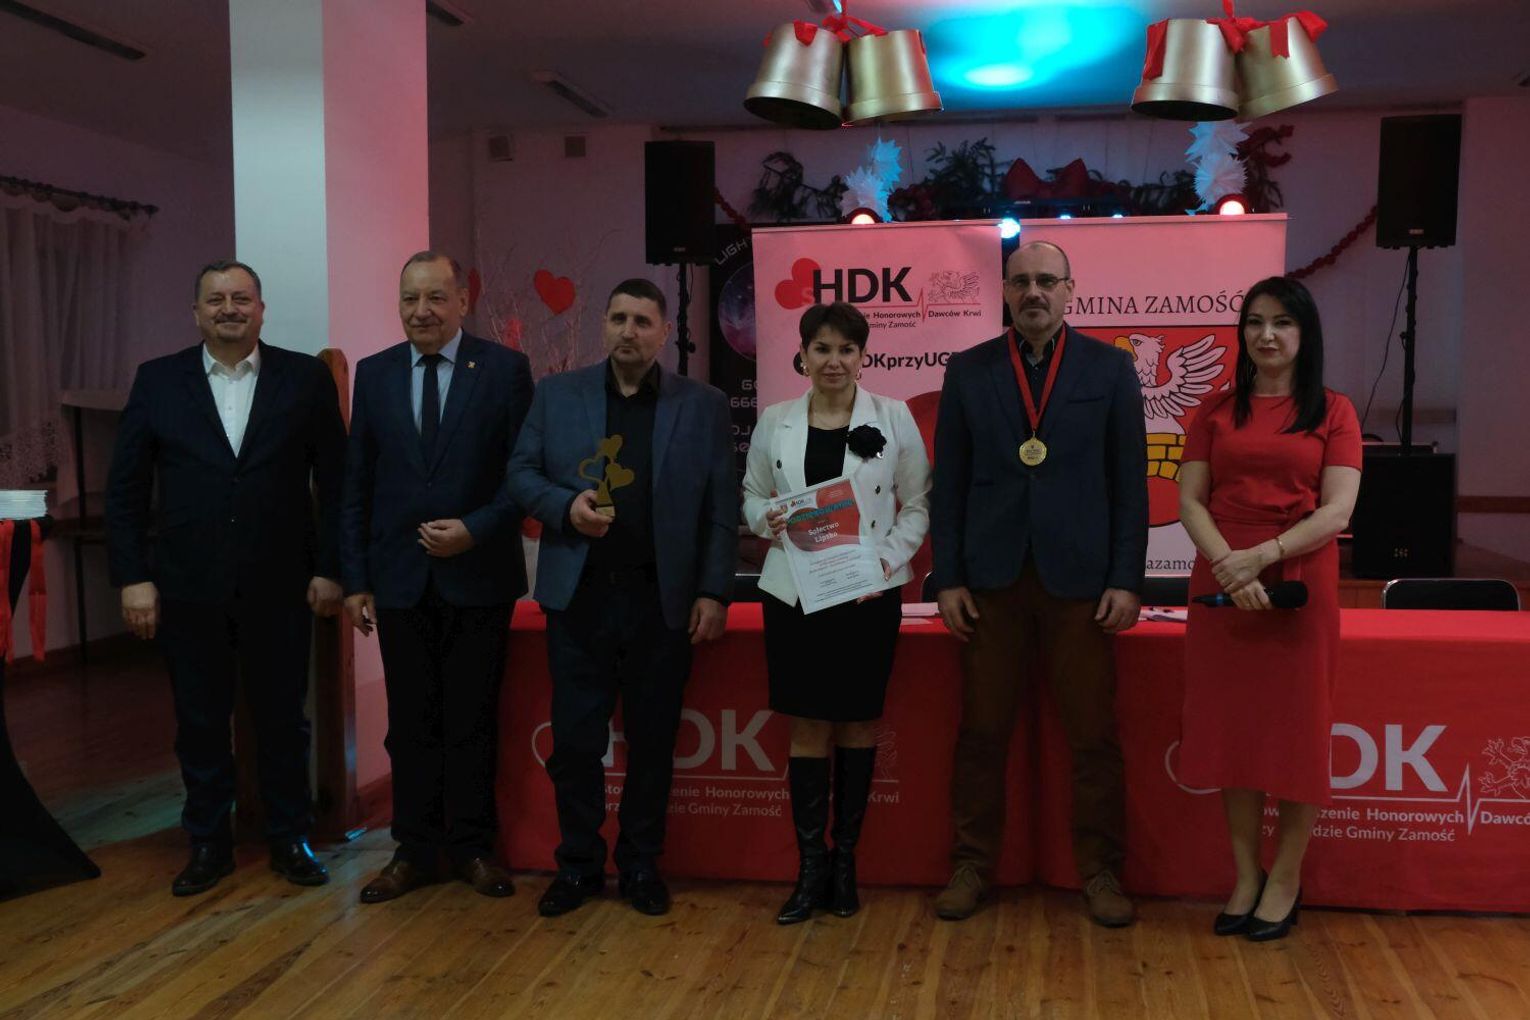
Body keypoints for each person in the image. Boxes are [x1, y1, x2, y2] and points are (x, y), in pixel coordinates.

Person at [105, 259, 345, 895]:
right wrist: (133, 577)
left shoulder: (305, 378)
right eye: (216, 300)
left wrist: (332, 569)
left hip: (282, 584)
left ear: (261, 310)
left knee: (283, 720)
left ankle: (290, 837)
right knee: (200, 722)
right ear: (196, 313)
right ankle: (208, 842)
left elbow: (338, 482)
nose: (229, 309)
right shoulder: (158, 381)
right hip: (187, 585)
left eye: (241, 298)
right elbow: (126, 488)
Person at [930, 240, 1148, 926]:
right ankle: (970, 865)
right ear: (1003, 290)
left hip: (1080, 584)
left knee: (1092, 739)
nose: (1033, 292)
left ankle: (1102, 872)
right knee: (981, 734)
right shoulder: (968, 370)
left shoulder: (1110, 369)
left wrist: (1126, 578)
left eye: (1047, 281)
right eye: (1021, 281)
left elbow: (1130, 484)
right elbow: (949, 484)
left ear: (1070, 290)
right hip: (989, 584)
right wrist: (947, 577)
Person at [508, 277, 736, 918]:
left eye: (641, 321)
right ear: (603, 325)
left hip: (661, 603)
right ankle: (577, 866)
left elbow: (721, 505)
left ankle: (640, 865)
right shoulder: (557, 394)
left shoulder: (704, 404)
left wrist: (713, 590)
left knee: (653, 744)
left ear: (664, 332)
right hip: (579, 600)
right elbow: (521, 473)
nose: (627, 331)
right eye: (617, 319)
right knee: (576, 744)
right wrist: (565, 507)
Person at [341, 251, 534, 903]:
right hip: (399, 580)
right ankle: (415, 850)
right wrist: (356, 579)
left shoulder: (503, 370)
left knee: (471, 720)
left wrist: (475, 529)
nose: (421, 311)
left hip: (478, 575)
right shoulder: (374, 374)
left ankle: (474, 847)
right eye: (409, 299)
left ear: (461, 302)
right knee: (410, 724)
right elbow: (357, 483)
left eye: (435, 297)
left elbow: (524, 474)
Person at [1176, 275, 1362, 942]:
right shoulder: (1215, 409)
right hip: (1222, 575)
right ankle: (1245, 875)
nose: (1267, 334)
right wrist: (1230, 563)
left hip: (1298, 579)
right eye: (1255, 322)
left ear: (1304, 333)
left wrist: (1261, 557)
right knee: (1234, 734)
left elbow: (1338, 511)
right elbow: (1189, 501)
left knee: (1297, 735)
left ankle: (1285, 877)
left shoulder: (1334, 411)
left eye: (1282, 322)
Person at [742, 302, 930, 924]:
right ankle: (810, 870)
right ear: (803, 354)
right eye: (822, 348)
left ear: (862, 356)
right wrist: (764, 519)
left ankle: (845, 863)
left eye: (846, 349)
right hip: (794, 595)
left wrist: (885, 561)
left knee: (857, 724)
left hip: (865, 594)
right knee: (807, 726)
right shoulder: (775, 420)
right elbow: (751, 494)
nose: (834, 360)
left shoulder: (893, 417)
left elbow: (918, 504)